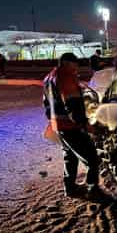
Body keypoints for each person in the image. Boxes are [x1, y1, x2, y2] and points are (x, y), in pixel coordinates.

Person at [43, 53, 100, 198]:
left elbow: (46, 104)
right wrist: (84, 124)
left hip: (58, 125)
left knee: (70, 157)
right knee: (92, 158)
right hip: (70, 126)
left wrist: (52, 120)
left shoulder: (49, 77)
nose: (76, 69)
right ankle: (92, 189)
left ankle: (70, 188)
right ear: (68, 64)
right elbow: (72, 103)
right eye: (75, 65)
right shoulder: (66, 76)